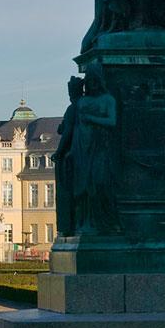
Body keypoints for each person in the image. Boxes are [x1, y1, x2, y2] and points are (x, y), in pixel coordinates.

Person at [71, 63, 119, 234]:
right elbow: (76, 127)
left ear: (100, 80)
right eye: (88, 81)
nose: (91, 84)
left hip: (101, 148)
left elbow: (112, 121)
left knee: (100, 183)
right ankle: (86, 222)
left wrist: (92, 118)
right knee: (83, 186)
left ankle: (104, 222)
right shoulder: (83, 101)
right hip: (83, 149)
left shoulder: (108, 100)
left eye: (94, 80)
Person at [51, 76, 84, 237]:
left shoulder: (74, 108)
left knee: (67, 190)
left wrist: (58, 153)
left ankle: (69, 225)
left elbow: (67, 132)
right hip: (84, 150)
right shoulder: (85, 106)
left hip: (74, 154)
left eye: (70, 90)